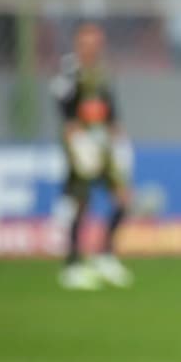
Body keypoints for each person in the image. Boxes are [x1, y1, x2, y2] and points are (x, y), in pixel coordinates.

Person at [51, 22, 135, 290]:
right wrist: (76, 141)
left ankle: (105, 255)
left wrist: (120, 142)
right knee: (80, 203)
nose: (93, 47)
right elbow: (65, 113)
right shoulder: (69, 72)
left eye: (96, 42)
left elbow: (111, 112)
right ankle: (73, 264)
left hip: (104, 143)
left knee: (122, 197)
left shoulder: (102, 74)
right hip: (81, 144)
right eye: (87, 42)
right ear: (78, 44)